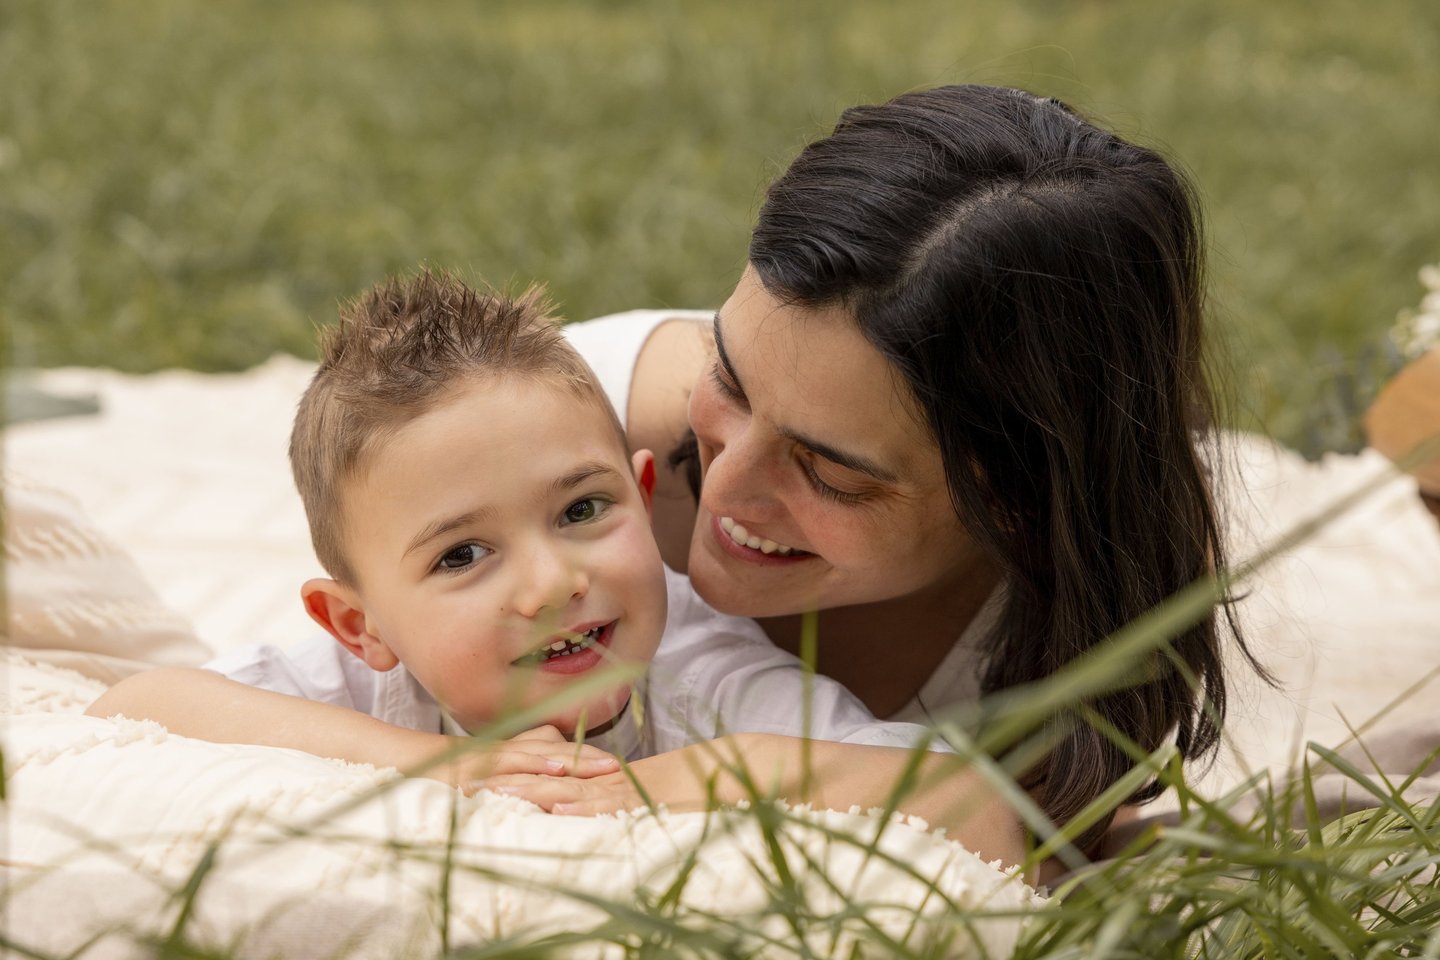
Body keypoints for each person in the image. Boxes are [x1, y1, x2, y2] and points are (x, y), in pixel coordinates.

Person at [528, 84, 1264, 853]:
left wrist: (766, 767)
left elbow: (1045, 854)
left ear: (1014, 500)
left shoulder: (1099, 597)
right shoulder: (552, 439)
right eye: (729, 379)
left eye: (830, 473)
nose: (725, 487)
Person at [86, 270, 1021, 865]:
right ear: (360, 626)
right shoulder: (367, 691)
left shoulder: (705, 676)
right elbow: (137, 710)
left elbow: (972, 805)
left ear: (645, 497)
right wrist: (442, 765)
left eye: (582, 510)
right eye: (463, 554)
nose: (552, 583)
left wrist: (712, 774)